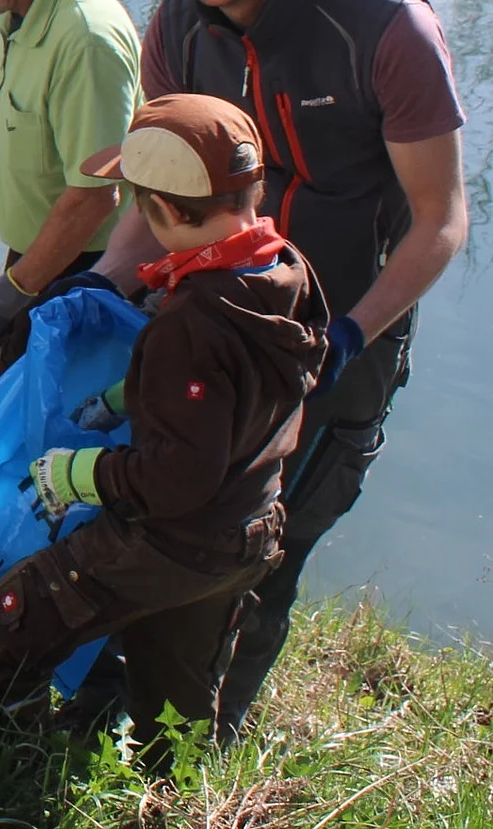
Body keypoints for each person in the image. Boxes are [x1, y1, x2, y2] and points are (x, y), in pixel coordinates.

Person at [83, 0, 469, 743]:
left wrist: (351, 336)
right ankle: (96, 717)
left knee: (264, 552)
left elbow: (441, 218)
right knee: (149, 512)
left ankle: (200, 753)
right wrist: (105, 281)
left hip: (350, 327)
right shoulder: (177, 25)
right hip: (207, 323)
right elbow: (157, 183)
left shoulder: (388, 30)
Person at [0, 93, 329, 756]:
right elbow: (234, 387)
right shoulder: (284, 272)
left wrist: (76, 472)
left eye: (136, 199)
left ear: (160, 210)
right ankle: (178, 791)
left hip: (176, 536)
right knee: (177, 697)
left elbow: (177, 477)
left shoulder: (192, 321)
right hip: (247, 529)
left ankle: (10, 768)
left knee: (15, 622)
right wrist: (134, 393)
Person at [0, 0, 141, 398]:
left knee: (14, 429)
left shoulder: (86, 41)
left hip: (79, 272)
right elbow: (28, 126)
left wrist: (7, 296)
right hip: (36, 259)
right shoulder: (16, 16)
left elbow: (95, 197)